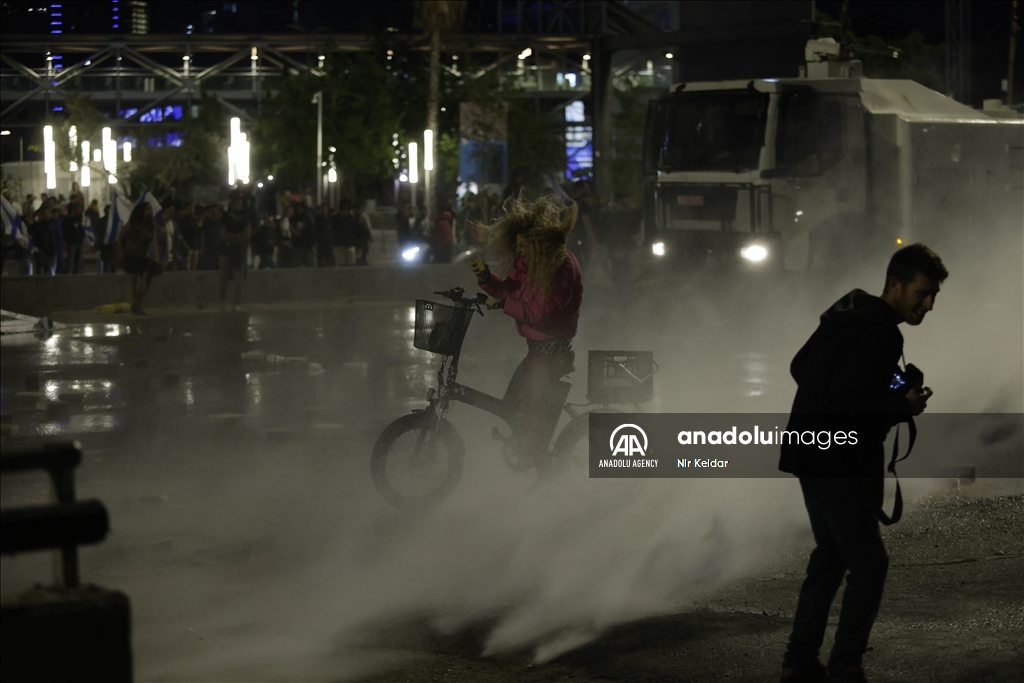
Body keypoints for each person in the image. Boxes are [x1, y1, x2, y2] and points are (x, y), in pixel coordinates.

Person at [778, 244, 948, 683]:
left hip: (808, 451)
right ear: (895, 284)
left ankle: (799, 662)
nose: (929, 304)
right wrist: (902, 406)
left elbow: (801, 366)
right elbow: (846, 406)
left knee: (831, 557)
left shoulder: (847, 314)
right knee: (869, 564)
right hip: (838, 459)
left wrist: (891, 389)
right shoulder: (880, 332)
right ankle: (846, 664)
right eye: (922, 293)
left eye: (933, 296)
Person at [472, 195, 583, 476]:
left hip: (553, 354)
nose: (518, 252)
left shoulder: (562, 266)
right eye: (517, 247)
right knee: (512, 408)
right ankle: (530, 455)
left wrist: (501, 303)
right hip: (536, 352)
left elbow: (541, 312)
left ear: (537, 245)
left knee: (531, 419)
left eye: (522, 247)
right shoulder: (529, 263)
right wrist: (486, 278)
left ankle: (547, 477)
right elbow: (509, 290)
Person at [116, 201, 162, 315]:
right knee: (133, 282)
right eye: (147, 209)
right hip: (131, 256)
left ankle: (137, 302)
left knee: (147, 278)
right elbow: (121, 234)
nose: (149, 211)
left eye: (150, 209)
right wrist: (121, 249)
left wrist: (156, 257)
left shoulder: (150, 226)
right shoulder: (133, 223)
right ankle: (135, 305)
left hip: (142, 257)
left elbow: (153, 243)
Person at [219, 199, 251, 310]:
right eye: (237, 205)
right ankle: (221, 302)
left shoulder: (245, 220)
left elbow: (246, 236)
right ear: (232, 207)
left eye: (240, 205)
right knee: (223, 279)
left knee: (238, 280)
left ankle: (236, 303)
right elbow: (224, 236)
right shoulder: (225, 219)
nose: (239, 208)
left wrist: (231, 238)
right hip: (225, 253)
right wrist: (237, 236)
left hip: (239, 253)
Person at [62, 201, 85, 274]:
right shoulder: (67, 220)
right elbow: (65, 231)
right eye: (78, 210)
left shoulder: (80, 219)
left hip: (79, 242)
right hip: (71, 243)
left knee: (78, 261)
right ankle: (66, 274)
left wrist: (82, 237)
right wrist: (67, 241)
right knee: (70, 260)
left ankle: (75, 274)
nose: (79, 212)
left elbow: (82, 230)